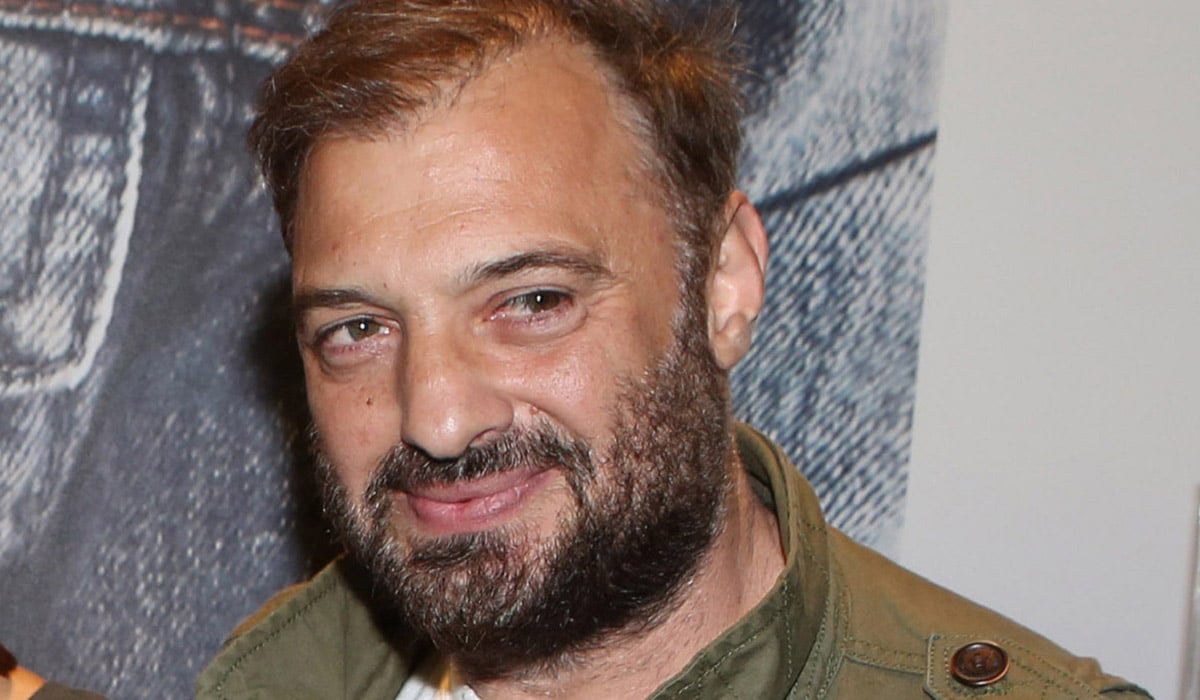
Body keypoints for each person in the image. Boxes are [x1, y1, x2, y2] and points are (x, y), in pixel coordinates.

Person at [188, 0, 1152, 698]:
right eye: (358, 329)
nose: (437, 417)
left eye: (532, 301)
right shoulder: (277, 679)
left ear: (723, 283)